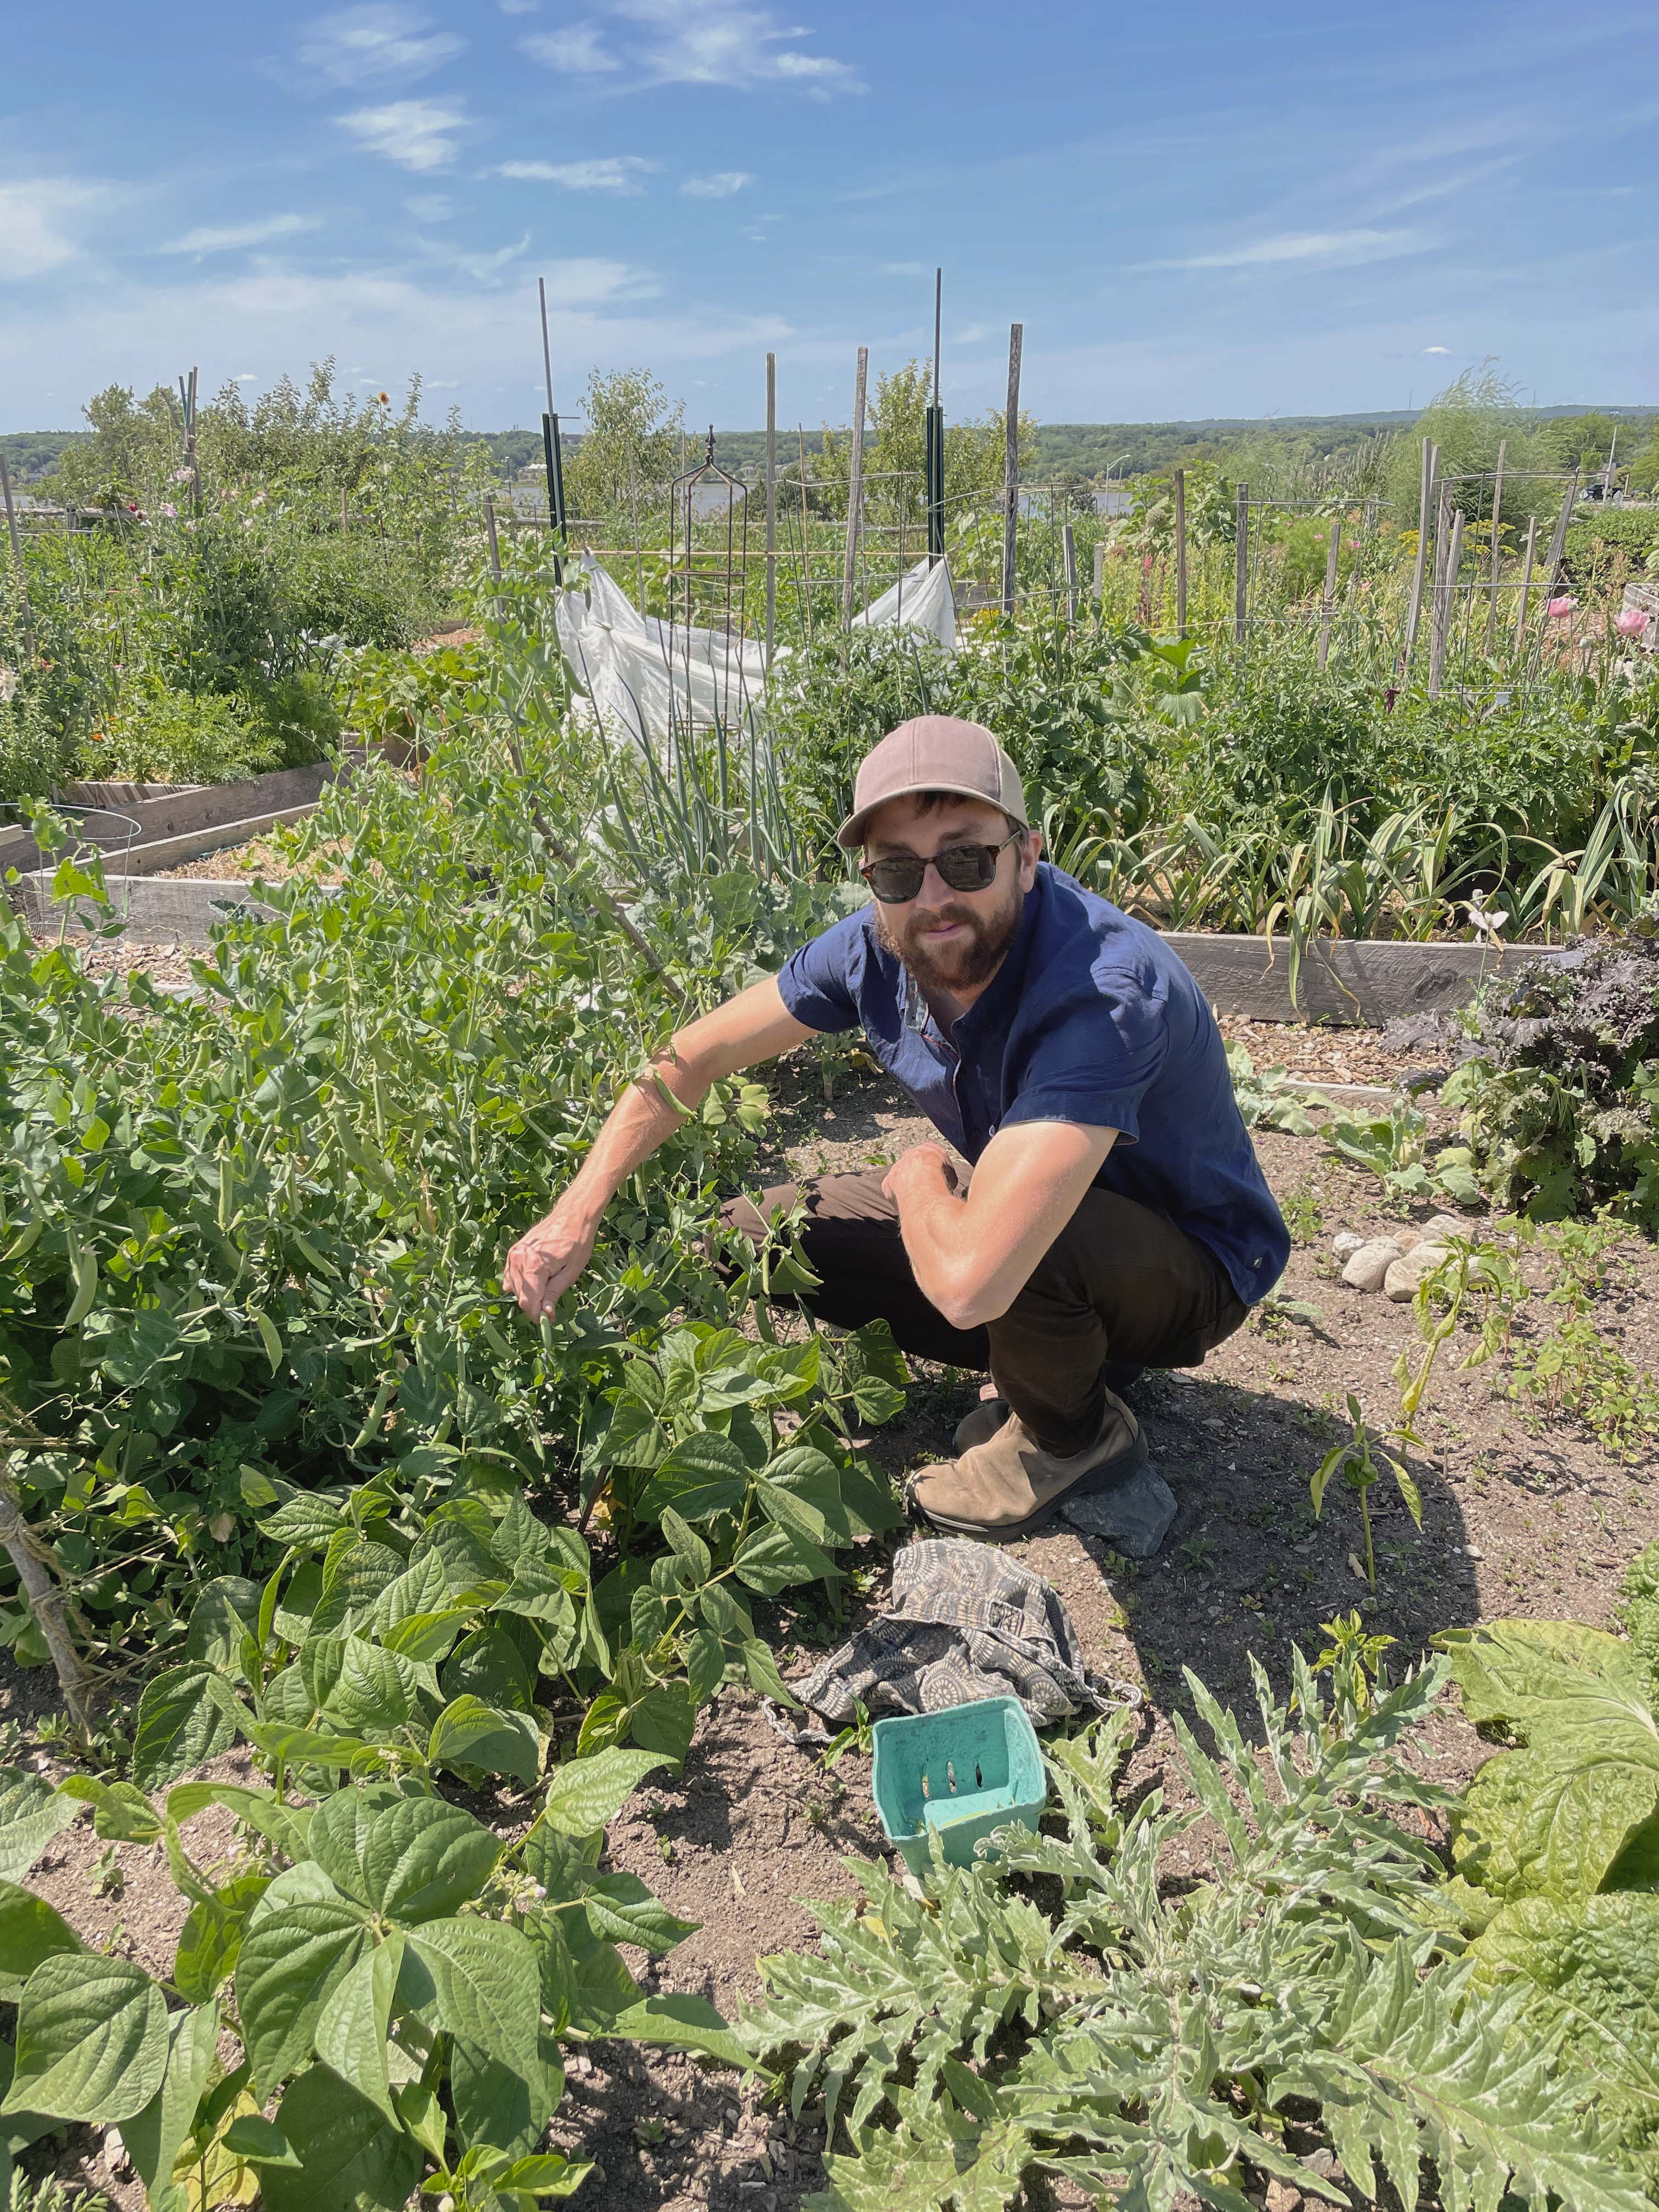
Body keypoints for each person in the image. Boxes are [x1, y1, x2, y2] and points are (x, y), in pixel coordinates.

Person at [505, 715, 1288, 1542]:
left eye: (965, 858)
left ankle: (1073, 1438)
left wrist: (919, 1175)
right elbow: (688, 1060)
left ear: (1027, 855)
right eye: (896, 870)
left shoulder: (1104, 992)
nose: (934, 896)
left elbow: (969, 1285)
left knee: (1008, 1252)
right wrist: (576, 1210)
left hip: (1185, 1271)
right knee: (750, 1237)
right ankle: (1049, 1359)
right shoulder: (877, 947)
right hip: (1036, 1229)